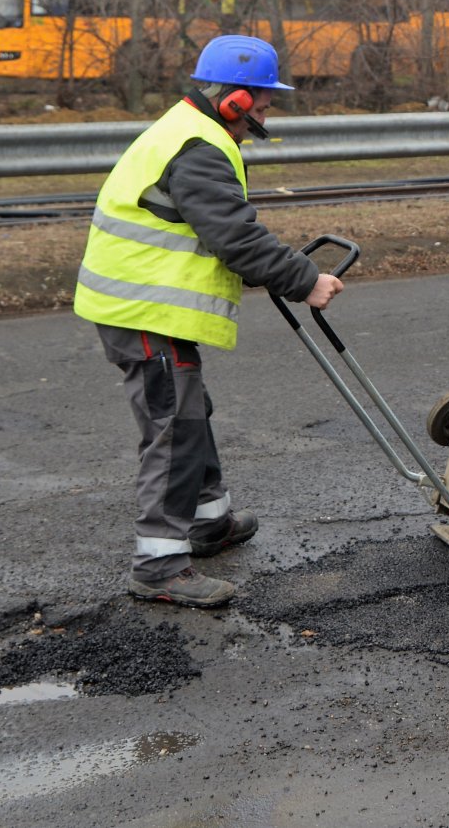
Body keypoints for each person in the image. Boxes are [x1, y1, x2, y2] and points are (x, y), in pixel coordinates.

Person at [74, 35, 343, 608]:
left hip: (147, 305)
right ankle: (159, 565)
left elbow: (210, 231)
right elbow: (234, 235)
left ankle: (207, 523)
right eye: (264, 104)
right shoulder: (199, 147)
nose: (267, 115)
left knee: (189, 412)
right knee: (173, 426)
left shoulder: (189, 131)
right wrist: (305, 279)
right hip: (142, 307)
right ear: (235, 101)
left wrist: (271, 268)